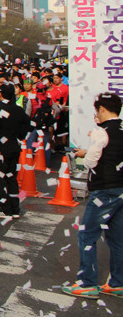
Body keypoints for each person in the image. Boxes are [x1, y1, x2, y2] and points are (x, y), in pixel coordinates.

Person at [62, 92, 123, 298]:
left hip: (104, 189)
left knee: (87, 234)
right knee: (117, 238)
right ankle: (118, 283)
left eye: (97, 110)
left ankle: (87, 283)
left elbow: (90, 162)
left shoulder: (101, 132)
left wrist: (85, 154)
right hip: (121, 188)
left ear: (102, 109)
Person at [0, 83, 31, 219]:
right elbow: (28, 123)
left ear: (1, 94)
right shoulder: (18, 109)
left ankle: (5, 208)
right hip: (14, 146)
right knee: (12, 178)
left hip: (0, 148)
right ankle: (15, 208)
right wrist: (20, 136)